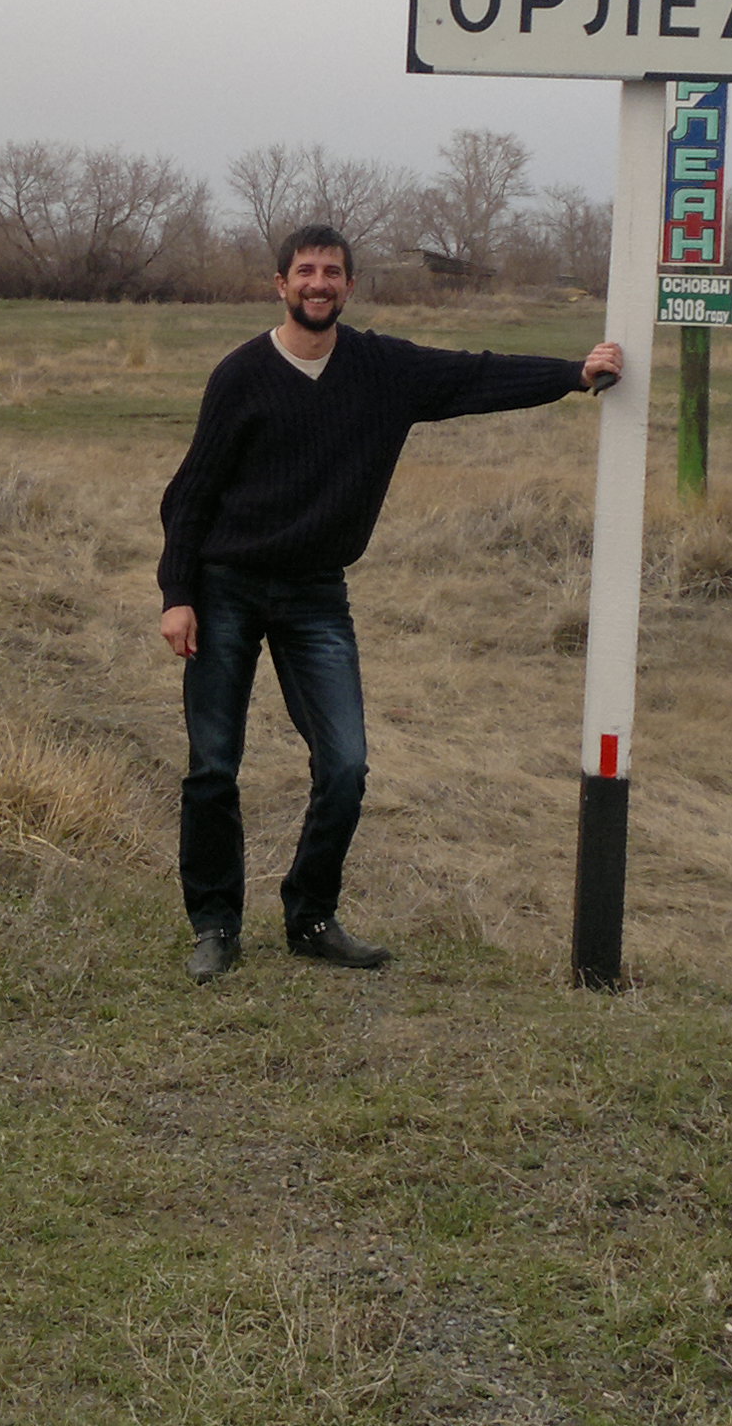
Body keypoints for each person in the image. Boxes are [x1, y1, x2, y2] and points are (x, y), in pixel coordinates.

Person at [156, 224, 623, 983]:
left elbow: (475, 376)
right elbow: (191, 493)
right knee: (213, 766)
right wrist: (179, 595)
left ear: (349, 286)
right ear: (281, 284)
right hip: (227, 587)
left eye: (331, 272)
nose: (318, 283)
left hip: (315, 594)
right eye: (305, 271)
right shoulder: (241, 374)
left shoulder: (382, 368)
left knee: (345, 766)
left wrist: (573, 373)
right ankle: (215, 925)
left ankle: (311, 917)